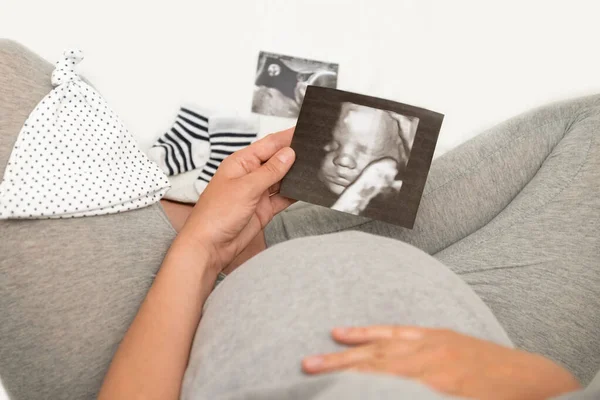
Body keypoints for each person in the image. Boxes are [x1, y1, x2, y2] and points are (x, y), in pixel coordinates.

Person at [1, 40, 599, 400]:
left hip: (165, 338)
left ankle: (244, 242)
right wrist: (535, 381)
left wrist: (202, 250)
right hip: (483, 329)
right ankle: (279, 230)